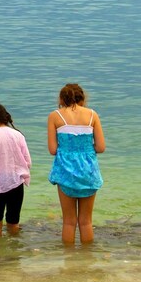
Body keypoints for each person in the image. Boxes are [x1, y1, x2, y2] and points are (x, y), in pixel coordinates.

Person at [47, 83, 106, 245]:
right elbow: (101, 147)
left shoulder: (55, 116)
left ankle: (69, 262)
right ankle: (86, 260)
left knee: (69, 221)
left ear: (61, 99)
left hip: (65, 171)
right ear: (82, 98)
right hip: (88, 171)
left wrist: (68, 148)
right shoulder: (93, 115)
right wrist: (85, 149)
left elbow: (52, 149)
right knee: (86, 222)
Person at [0, 103, 32, 238]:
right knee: (13, 223)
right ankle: (14, 254)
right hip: (17, 183)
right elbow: (28, 162)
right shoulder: (17, 134)